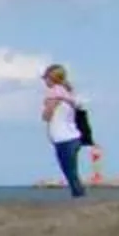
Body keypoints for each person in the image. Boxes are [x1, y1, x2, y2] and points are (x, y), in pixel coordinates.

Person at [39, 64, 89, 198]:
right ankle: (79, 197)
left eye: (46, 78)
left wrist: (46, 109)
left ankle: (79, 198)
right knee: (72, 172)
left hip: (64, 139)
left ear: (52, 78)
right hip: (72, 137)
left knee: (70, 173)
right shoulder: (68, 92)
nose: (45, 81)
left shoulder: (55, 92)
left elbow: (46, 115)